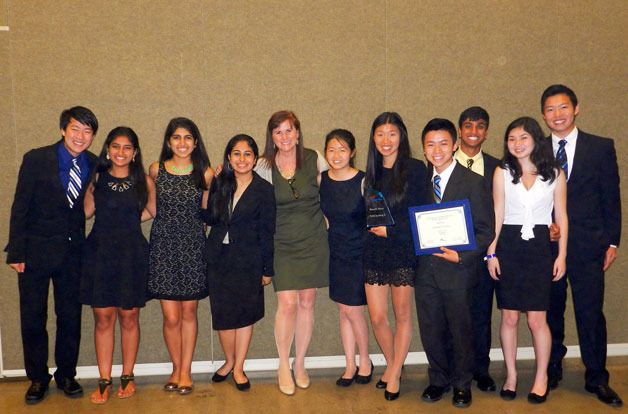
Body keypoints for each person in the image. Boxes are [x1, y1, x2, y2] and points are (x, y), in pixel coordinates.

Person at [5, 106, 99, 404]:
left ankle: (66, 374)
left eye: (87, 131)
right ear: (63, 130)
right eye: (75, 129)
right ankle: (37, 378)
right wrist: (16, 251)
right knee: (33, 317)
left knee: (70, 316)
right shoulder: (36, 159)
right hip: (34, 252)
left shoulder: (95, 163)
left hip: (72, 253)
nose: (80, 136)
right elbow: (20, 205)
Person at [541, 84, 622, 407]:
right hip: (548, 246)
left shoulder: (600, 147)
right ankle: (552, 368)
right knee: (551, 311)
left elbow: (611, 197)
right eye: (550, 109)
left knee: (590, 313)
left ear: (576, 109)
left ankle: (597, 377)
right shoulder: (535, 149)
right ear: (543, 115)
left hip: (590, 246)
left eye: (563, 107)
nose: (557, 115)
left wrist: (612, 241)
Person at [486, 117, 567, 404]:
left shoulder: (554, 173)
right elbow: (497, 214)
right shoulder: (502, 172)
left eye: (523, 138)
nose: (517, 144)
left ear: (535, 140)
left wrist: (562, 255)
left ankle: (541, 377)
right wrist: (491, 252)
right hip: (508, 246)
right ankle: (511, 375)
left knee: (536, 320)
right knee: (509, 317)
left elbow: (562, 216)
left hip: (540, 249)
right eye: (511, 139)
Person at [415, 118, 494, 408]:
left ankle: (462, 383)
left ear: (455, 145)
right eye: (430, 145)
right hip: (426, 272)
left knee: (461, 331)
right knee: (431, 329)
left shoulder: (473, 182)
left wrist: (462, 255)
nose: (436, 150)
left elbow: (486, 230)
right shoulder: (419, 183)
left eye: (443, 143)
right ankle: (439, 379)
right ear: (424, 149)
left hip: (459, 270)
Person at [256, 110, 329, 396]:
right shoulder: (263, 165)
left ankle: (300, 364)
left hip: (313, 239)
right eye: (278, 132)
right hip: (281, 242)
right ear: (271, 137)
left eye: (289, 130)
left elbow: (331, 191)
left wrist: (331, 219)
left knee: (307, 301)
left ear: (298, 133)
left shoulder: (314, 158)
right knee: (287, 303)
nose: (284, 136)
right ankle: (283, 364)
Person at [80, 126, 156, 403]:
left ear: (135, 153)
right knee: (103, 317)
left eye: (127, 147)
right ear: (107, 150)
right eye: (115, 146)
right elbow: (86, 212)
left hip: (131, 254)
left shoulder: (144, 181)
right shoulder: (97, 178)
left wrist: (130, 222)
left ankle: (127, 375)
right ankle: (104, 379)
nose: (120, 152)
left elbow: (153, 210)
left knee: (129, 316)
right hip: (99, 253)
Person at [363, 112, 427, 401]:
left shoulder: (415, 169)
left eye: (392, 133)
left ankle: (395, 372)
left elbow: (419, 215)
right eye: (380, 134)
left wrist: (391, 231)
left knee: (402, 315)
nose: (386, 140)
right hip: (374, 250)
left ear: (401, 136)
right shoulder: (370, 172)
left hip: (402, 248)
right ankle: (393, 364)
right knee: (377, 317)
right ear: (373, 138)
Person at [203, 134, 276, 391]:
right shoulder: (220, 183)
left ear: (255, 159)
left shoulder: (264, 190)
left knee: (245, 315)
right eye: (236, 153)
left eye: (247, 154)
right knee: (222, 314)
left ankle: (239, 367)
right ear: (229, 157)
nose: (242, 159)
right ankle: (229, 361)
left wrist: (268, 269)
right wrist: (210, 184)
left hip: (249, 260)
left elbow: (267, 231)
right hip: (219, 258)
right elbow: (210, 217)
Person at [147, 117, 214, 395]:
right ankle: (175, 368)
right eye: (176, 137)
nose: (182, 143)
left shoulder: (205, 173)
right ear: (168, 141)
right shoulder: (156, 170)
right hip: (163, 246)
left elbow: (206, 216)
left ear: (195, 142)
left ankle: (186, 371)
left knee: (189, 312)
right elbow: (151, 209)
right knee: (170, 316)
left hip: (193, 246)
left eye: (188, 137)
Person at [319, 129, 371, 387]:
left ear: (352, 152)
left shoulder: (363, 181)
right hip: (335, 252)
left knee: (354, 310)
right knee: (343, 310)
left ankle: (365, 360)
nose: (336, 155)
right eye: (331, 150)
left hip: (359, 252)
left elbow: (376, 219)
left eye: (342, 149)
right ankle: (350, 364)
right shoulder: (321, 180)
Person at [454, 106, 501, 392]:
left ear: (486, 132)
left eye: (480, 126)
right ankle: (452, 370)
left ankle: (481, 370)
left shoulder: (499, 167)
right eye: (468, 126)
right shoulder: (441, 164)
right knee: (453, 316)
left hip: (485, 253)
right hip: (450, 256)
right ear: (460, 130)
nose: (474, 131)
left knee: (482, 314)